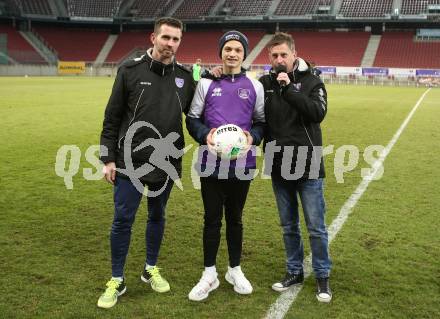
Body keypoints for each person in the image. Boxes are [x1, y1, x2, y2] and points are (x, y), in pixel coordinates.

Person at [97, 17, 195, 309]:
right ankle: (117, 278)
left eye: (175, 39)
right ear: (153, 38)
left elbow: (196, 117)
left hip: (166, 163)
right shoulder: (129, 70)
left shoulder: (186, 78)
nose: (170, 44)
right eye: (165, 37)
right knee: (122, 220)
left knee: (158, 216)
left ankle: (150, 268)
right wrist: (107, 158)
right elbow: (112, 117)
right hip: (129, 161)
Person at [186, 30, 265, 301]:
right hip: (210, 163)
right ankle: (209, 274)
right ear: (221, 52)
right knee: (211, 219)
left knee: (235, 219)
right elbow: (192, 118)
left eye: (238, 50)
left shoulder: (255, 85)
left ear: (244, 55)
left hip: (243, 164)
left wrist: (252, 136)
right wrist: (203, 134)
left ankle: (234, 269)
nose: (232, 53)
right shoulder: (206, 84)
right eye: (228, 49)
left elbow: (261, 122)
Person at [259, 32, 332, 302]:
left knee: (315, 226)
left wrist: (288, 88)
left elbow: (317, 113)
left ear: (294, 55)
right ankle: (294, 271)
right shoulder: (264, 83)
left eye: (283, 55)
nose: (279, 60)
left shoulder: (313, 81)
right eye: (274, 55)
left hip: (308, 163)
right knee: (288, 225)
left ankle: (322, 276)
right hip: (278, 162)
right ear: (269, 57)